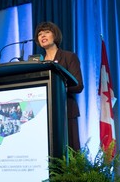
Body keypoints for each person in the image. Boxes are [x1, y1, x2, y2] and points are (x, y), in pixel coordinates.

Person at [34, 21, 84, 151]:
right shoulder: (37, 62)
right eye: (40, 34)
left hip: (66, 110)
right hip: (43, 113)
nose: (42, 36)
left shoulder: (69, 57)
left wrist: (57, 88)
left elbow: (78, 85)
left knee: (69, 151)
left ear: (55, 36)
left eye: (47, 32)